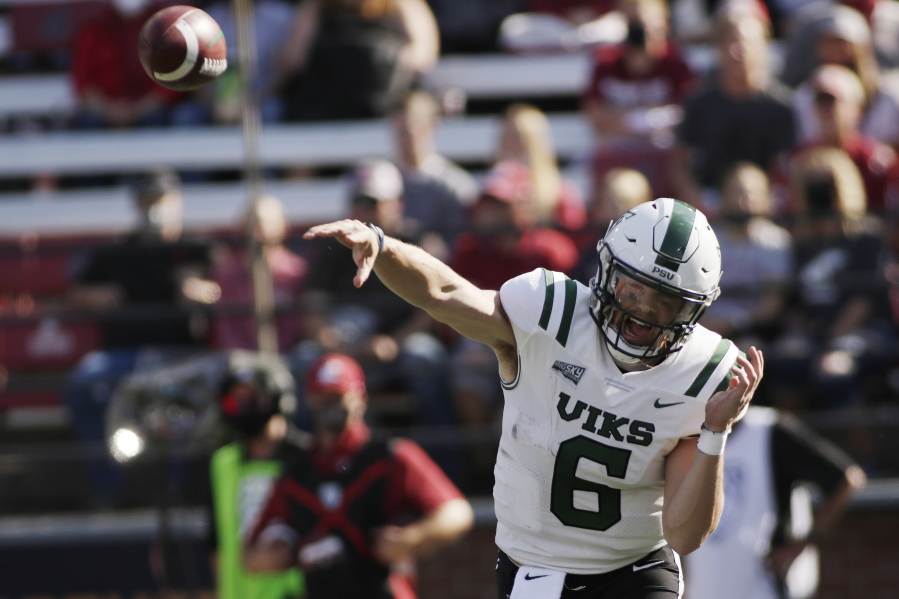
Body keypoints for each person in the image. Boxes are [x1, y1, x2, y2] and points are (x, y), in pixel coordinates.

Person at [302, 196, 764, 598]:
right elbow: (444, 293)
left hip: (634, 569)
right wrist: (383, 247)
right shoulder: (552, 315)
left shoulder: (705, 373)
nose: (644, 312)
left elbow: (684, 536)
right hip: (533, 564)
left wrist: (714, 431)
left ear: (694, 311)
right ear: (607, 272)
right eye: (634, 289)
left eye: (667, 301)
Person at [245, 352, 474, 599]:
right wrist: (271, 556)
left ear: (360, 399)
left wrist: (411, 538)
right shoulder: (295, 472)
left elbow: (457, 512)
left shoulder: (391, 457)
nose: (328, 406)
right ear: (309, 399)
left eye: (337, 397)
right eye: (320, 397)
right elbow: (250, 556)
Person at [65, 168, 219, 507]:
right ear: (135, 204)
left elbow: (230, 289)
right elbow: (76, 293)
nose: (153, 208)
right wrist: (95, 295)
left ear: (176, 202)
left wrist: (204, 291)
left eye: (160, 200)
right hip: (124, 354)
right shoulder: (115, 252)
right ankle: (110, 487)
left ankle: (185, 490)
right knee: (85, 383)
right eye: (146, 200)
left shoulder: (198, 248)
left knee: (201, 395)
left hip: (182, 355)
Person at [684, 405, 867, 599]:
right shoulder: (687, 436)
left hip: (765, 586)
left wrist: (805, 543)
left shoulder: (770, 430)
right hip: (704, 587)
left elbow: (847, 481)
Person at [671, 2, 795, 217]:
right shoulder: (699, 103)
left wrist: (765, 200)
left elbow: (786, 167)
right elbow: (680, 163)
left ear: (763, 45)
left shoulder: (780, 106)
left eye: (746, 43)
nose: (738, 51)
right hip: (711, 208)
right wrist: (695, 197)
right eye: (730, 42)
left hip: (765, 210)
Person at [208, 357, 306, 599]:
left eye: (251, 398)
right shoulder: (222, 463)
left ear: (277, 399)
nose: (242, 407)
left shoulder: (308, 460)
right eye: (235, 399)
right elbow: (217, 547)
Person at [277, 0, 439, 122]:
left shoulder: (399, 4)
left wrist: (383, 69)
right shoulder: (317, 6)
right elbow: (293, 60)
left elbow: (423, 53)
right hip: (327, 104)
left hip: (388, 102)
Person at [701, 162, 793, 351]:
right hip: (701, 328)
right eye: (736, 192)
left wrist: (735, 323)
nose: (743, 201)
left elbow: (773, 302)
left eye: (751, 194)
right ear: (722, 195)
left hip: (752, 332)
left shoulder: (776, 241)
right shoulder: (703, 239)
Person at [212, 195, 308, 353]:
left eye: (266, 223)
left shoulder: (297, 272)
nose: (259, 231)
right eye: (253, 223)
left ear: (283, 227)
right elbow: (225, 326)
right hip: (239, 360)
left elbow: (299, 324)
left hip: (289, 356)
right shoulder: (226, 273)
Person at [391, 89, 477, 248]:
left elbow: (463, 242)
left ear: (433, 127)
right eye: (400, 130)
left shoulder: (457, 185)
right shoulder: (383, 182)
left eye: (413, 127)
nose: (407, 137)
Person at [496, 103, 587, 232]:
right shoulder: (493, 188)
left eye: (517, 138)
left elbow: (574, 235)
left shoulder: (560, 192)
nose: (511, 144)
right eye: (506, 136)